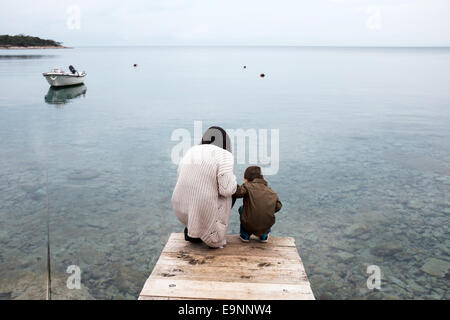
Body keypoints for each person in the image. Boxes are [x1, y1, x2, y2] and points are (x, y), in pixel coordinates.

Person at [172, 126, 237, 248]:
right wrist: (234, 181)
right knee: (233, 191)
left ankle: (192, 231)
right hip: (202, 207)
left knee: (200, 189)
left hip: (181, 207)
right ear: (226, 143)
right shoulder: (225, 155)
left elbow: (180, 176)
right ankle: (214, 233)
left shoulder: (191, 151)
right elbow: (227, 189)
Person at [234, 166, 282, 243]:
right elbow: (278, 206)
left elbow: (237, 193)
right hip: (266, 224)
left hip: (249, 223)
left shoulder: (247, 186)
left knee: (241, 209)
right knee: (266, 212)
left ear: (246, 179)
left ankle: (245, 235)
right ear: (262, 178)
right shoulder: (271, 192)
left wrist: (233, 182)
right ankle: (263, 236)